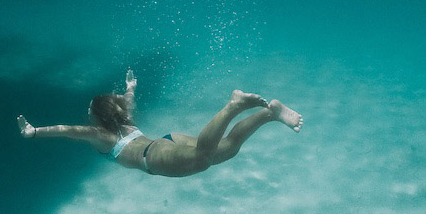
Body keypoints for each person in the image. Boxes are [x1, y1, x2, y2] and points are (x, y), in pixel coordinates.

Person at [16, 70, 302, 177]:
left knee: (202, 159)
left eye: (89, 110)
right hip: (165, 141)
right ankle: (269, 114)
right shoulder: (126, 121)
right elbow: (128, 101)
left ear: (99, 117)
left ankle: (233, 105)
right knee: (226, 149)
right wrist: (131, 86)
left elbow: (69, 130)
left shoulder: (103, 135)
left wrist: (34, 133)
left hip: (153, 156)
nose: (87, 114)